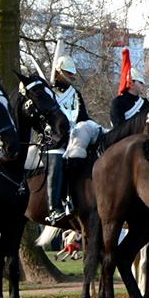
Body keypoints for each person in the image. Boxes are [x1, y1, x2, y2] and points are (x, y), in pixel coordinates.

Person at [43, 34, 95, 223]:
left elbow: (83, 117)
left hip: (74, 137)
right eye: (68, 73)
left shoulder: (75, 94)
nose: (72, 77)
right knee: (57, 157)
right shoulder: (47, 93)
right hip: (54, 138)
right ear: (58, 73)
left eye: (72, 73)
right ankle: (54, 207)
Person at [109, 49, 149, 128]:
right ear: (131, 83)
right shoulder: (118, 103)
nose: (143, 85)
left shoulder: (144, 103)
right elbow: (118, 128)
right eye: (140, 82)